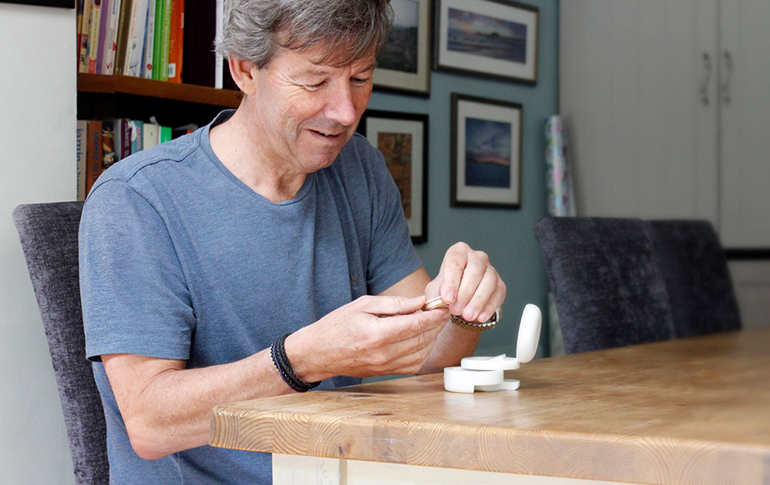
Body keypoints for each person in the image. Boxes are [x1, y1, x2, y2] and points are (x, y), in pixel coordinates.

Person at [79, 0, 506, 483]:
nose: (346, 111)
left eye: (361, 78)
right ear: (245, 70)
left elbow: (425, 357)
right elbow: (150, 424)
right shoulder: (136, 198)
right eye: (315, 81)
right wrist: (301, 360)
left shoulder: (359, 168)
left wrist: (466, 308)